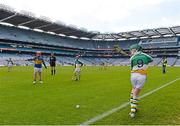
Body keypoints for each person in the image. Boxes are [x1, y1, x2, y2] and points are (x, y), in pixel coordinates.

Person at [129, 44, 153, 118]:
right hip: (142, 75)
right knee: (136, 93)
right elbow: (151, 59)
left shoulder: (132, 58)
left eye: (132, 50)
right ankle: (132, 111)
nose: (131, 52)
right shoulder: (145, 55)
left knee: (133, 90)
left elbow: (131, 67)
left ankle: (134, 107)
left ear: (135, 50)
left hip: (133, 74)